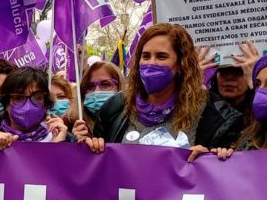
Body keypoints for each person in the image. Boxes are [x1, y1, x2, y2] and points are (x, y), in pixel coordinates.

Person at [72, 23, 242, 154]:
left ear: (181, 64)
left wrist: (210, 160)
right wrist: (90, 147)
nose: (151, 63)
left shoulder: (215, 114)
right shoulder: (115, 107)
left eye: (161, 56)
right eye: (146, 56)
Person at [0, 67, 68, 149]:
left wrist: (60, 148)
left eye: (37, 97)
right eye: (18, 98)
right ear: (6, 104)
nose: (27, 106)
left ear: (46, 103)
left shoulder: (64, 138)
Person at [65, 62, 122, 129]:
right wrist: (73, 138)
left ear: (119, 87)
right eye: (90, 86)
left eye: (105, 84)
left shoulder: (131, 122)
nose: (97, 91)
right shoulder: (68, 124)